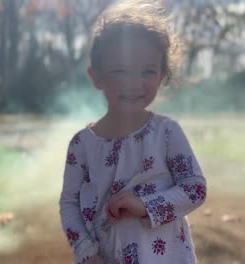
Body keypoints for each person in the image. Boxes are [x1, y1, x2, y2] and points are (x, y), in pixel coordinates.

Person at [59, 1, 207, 263]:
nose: (134, 83)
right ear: (97, 77)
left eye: (148, 71)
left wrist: (145, 205)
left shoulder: (166, 133)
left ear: (162, 75)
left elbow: (194, 188)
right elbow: (69, 204)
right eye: (120, 71)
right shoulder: (82, 145)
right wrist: (86, 252)